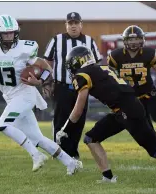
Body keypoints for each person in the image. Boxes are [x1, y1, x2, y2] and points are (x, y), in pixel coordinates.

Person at [0, 15, 82, 175]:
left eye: (12, 33)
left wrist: (42, 81)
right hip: (10, 97)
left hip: (25, 94)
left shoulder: (24, 49)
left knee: (3, 125)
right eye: (5, 33)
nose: (9, 36)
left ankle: (36, 156)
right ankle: (71, 163)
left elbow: (45, 66)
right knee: (38, 138)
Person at [56, 45, 156, 182]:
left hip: (128, 111)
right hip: (124, 109)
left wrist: (64, 129)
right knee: (90, 138)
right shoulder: (104, 67)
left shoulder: (82, 74)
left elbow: (78, 109)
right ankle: (108, 178)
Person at [43, 12, 102, 159]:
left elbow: (97, 63)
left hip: (82, 88)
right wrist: (47, 81)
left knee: (79, 120)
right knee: (60, 119)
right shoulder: (57, 40)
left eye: (76, 23)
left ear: (81, 24)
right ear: (66, 25)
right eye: (70, 23)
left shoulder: (89, 41)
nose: (73, 26)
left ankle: (72, 151)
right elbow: (47, 62)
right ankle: (59, 151)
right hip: (62, 86)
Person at [108, 25, 156, 143]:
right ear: (125, 40)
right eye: (130, 39)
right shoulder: (115, 56)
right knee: (146, 125)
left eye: (137, 39)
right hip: (131, 98)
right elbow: (109, 76)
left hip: (149, 93)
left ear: (142, 39)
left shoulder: (148, 53)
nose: (133, 42)